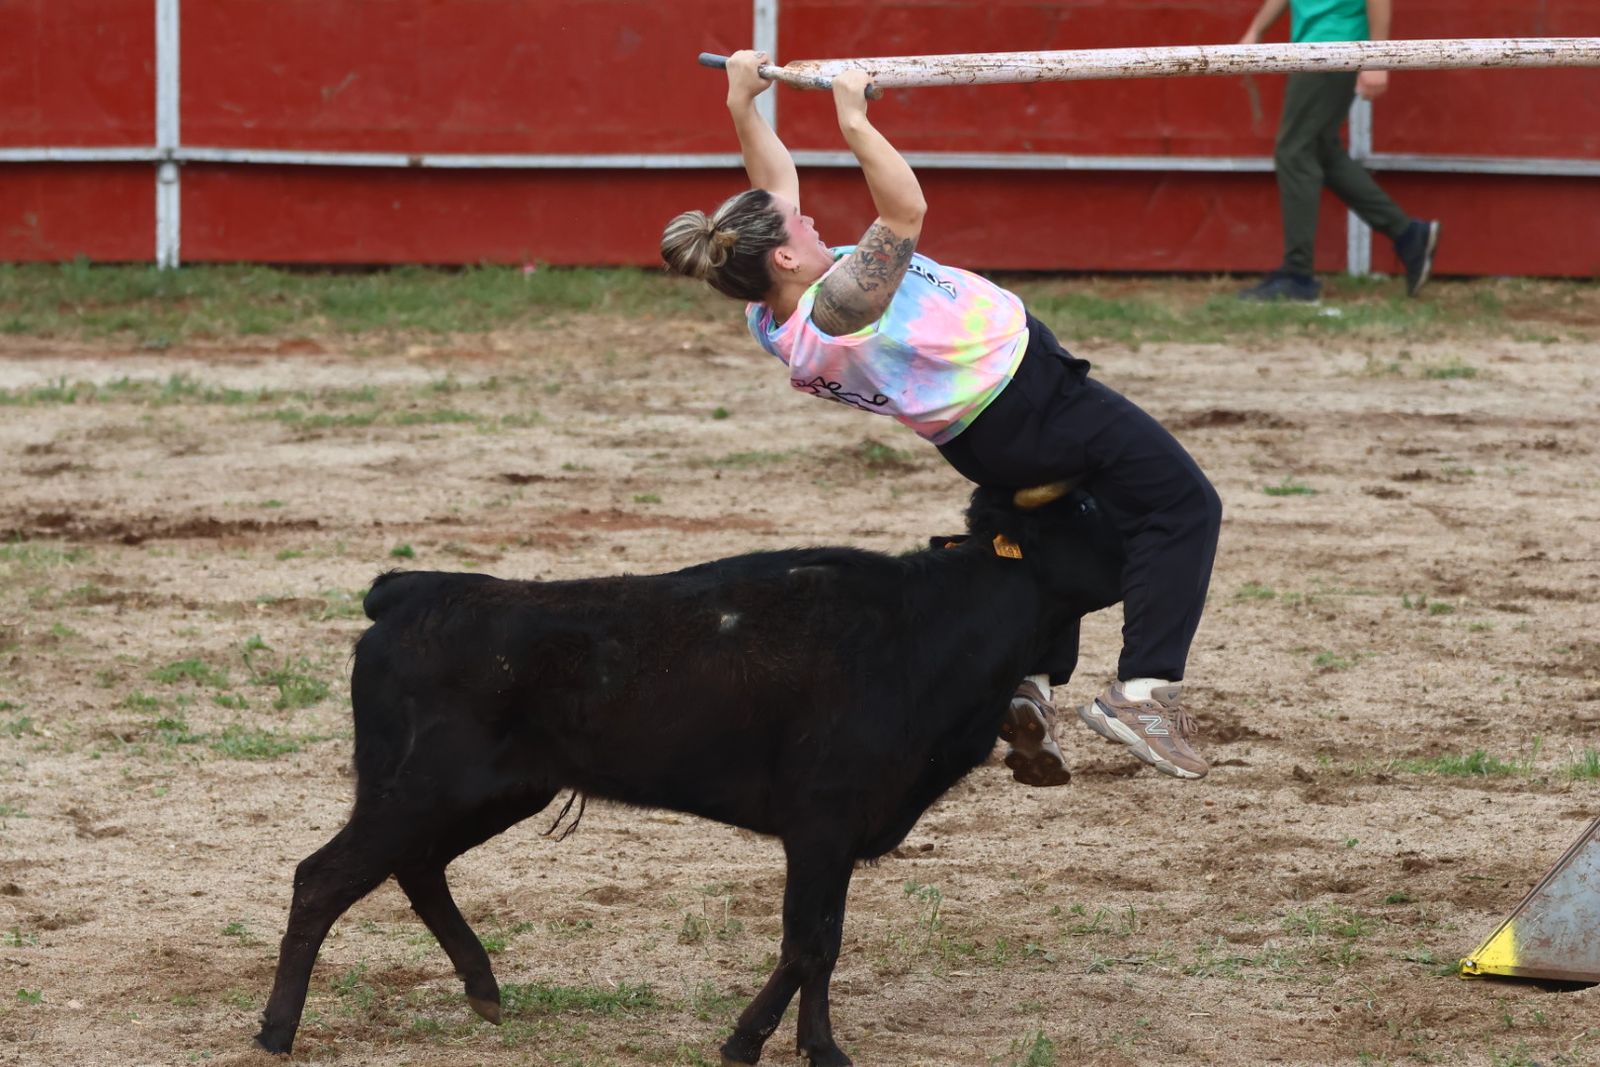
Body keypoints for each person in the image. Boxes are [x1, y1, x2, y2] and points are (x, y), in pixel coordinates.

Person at [660, 52, 1222, 785]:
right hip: (1031, 400)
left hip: (980, 434)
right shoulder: (840, 305)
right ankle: (1144, 691)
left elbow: (771, 193)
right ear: (790, 257)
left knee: (1066, 539)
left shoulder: (771, 313)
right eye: (800, 221)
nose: (809, 213)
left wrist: (744, 105)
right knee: (1182, 506)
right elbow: (904, 213)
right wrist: (855, 119)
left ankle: (1030, 680)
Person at [1237, 0, 1441, 301]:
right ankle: (1409, 235)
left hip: (1332, 48)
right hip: (1315, 48)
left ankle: (1298, 276)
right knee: (1321, 149)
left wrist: (1377, 57)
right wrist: (1256, 29)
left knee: (1294, 151)